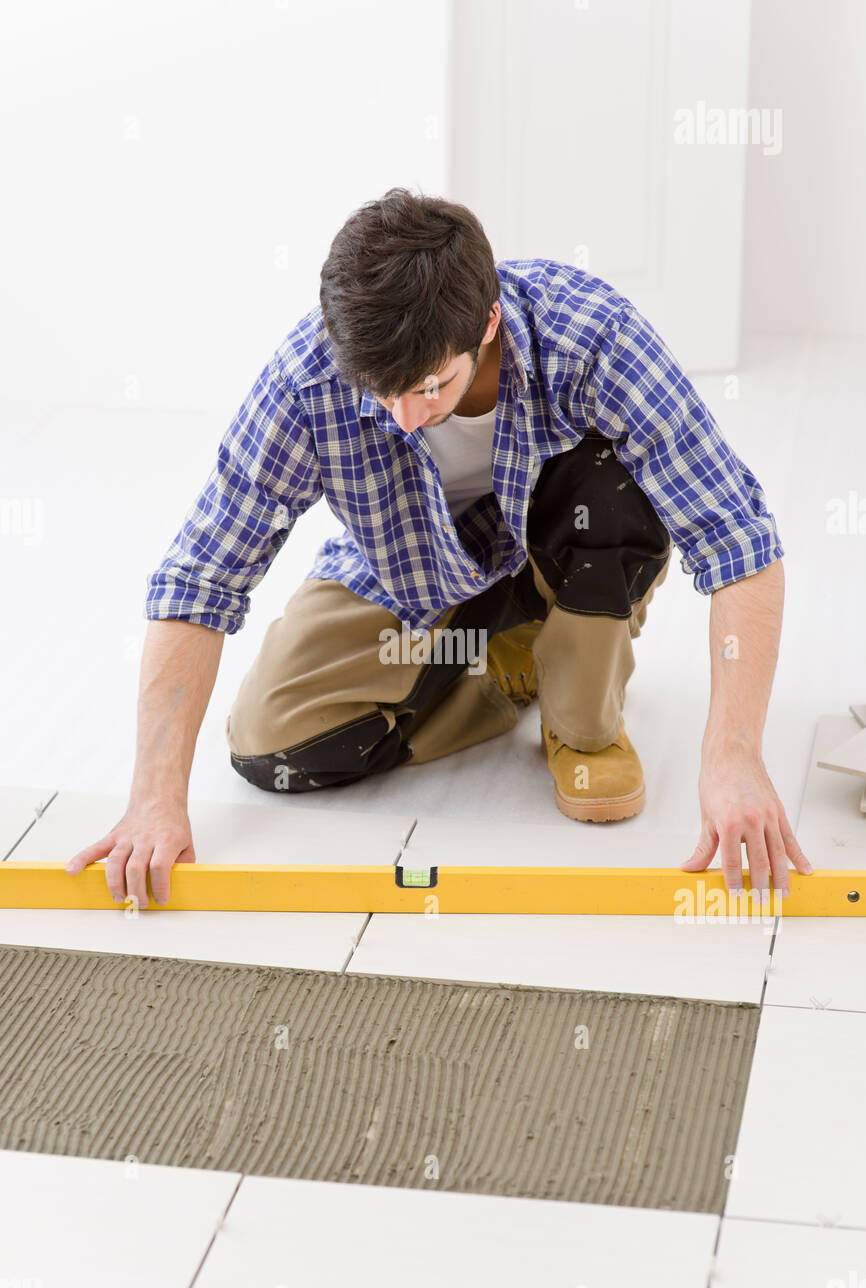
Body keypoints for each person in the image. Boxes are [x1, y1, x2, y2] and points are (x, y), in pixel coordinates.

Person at [67, 187, 812, 907]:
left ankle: (577, 704)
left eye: (429, 386)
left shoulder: (591, 336)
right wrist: (152, 801)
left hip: (565, 547)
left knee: (609, 491)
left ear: (487, 324)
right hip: (414, 579)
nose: (402, 417)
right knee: (271, 746)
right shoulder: (307, 377)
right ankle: (507, 666)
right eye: (380, 392)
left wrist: (735, 760)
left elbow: (736, 538)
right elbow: (200, 577)